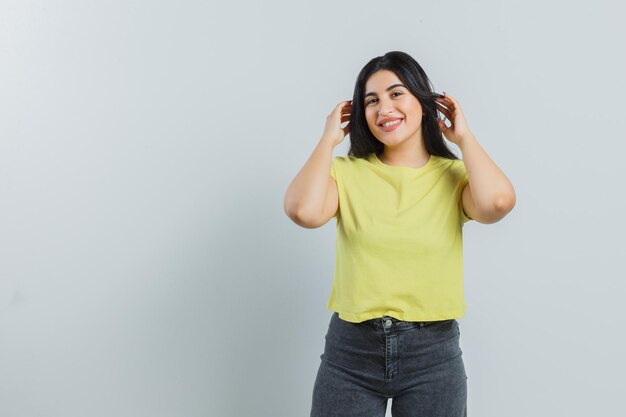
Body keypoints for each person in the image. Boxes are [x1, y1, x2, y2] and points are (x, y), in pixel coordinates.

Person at [283, 51, 516, 417]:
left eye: (396, 94)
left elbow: (498, 204)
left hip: (433, 354)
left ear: (424, 101)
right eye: (371, 101)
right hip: (351, 353)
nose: (383, 108)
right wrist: (327, 142)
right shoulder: (346, 173)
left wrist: (465, 139)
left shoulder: (453, 176)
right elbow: (303, 212)